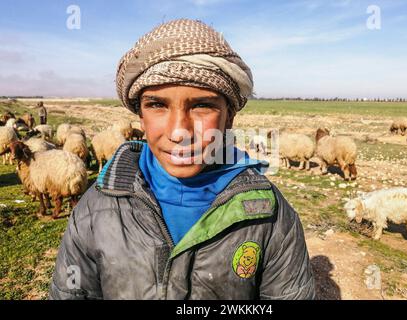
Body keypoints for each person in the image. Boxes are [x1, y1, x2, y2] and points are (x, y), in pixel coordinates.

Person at [49, 19, 315, 300]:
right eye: (157, 105)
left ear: (229, 117)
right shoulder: (96, 210)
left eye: (202, 106)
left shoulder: (269, 217)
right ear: (140, 115)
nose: (179, 132)